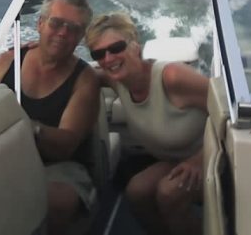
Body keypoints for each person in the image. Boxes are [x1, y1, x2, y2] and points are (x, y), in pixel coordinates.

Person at [0, 0, 100, 235]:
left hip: (58, 166)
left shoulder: (85, 79)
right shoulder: (7, 62)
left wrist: (26, 125)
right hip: (4, 158)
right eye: (56, 23)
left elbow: (66, 145)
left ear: (81, 37)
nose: (63, 33)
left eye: (74, 28)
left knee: (56, 200)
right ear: (40, 23)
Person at [85, 13, 208, 235]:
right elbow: (77, 73)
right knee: (136, 191)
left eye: (116, 47)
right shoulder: (116, 80)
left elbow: (228, 112)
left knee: (168, 192)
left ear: (135, 45)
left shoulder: (172, 77)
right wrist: (41, 51)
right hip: (175, 159)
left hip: (214, 156)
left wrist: (199, 160)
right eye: (99, 53)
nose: (108, 58)